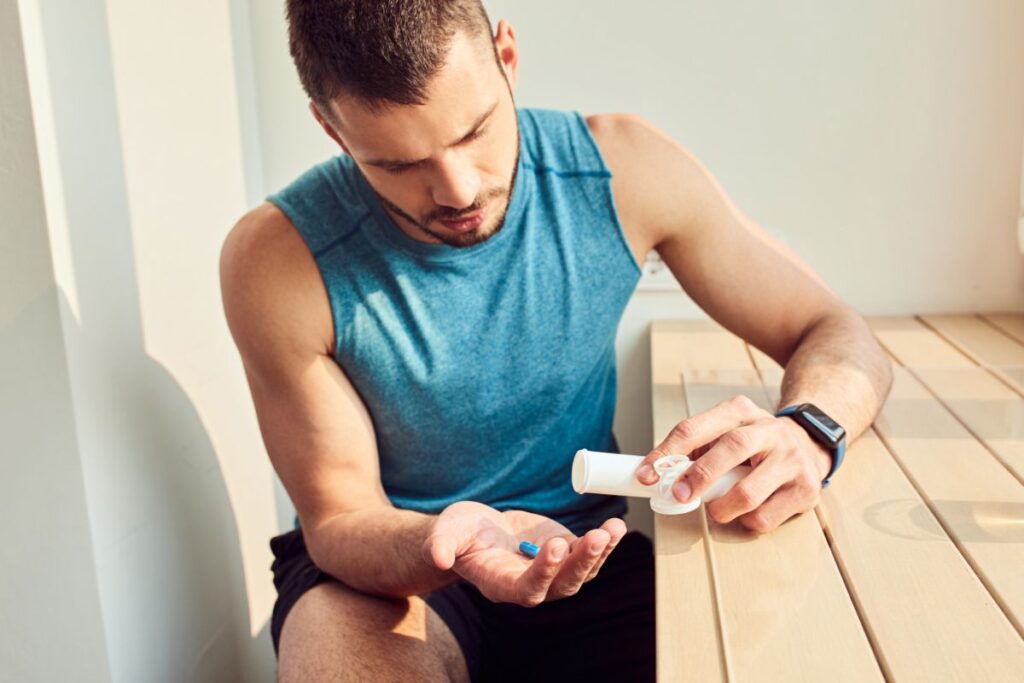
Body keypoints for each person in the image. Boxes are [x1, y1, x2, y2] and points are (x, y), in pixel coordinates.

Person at [219, 1, 893, 681]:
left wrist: (810, 429)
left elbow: (836, 332)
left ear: (508, 59)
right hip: (394, 564)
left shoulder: (623, 170)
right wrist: (447, 538)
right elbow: (339, 517)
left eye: (475, 131)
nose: (458, 190)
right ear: (331, 129)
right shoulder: (279, 259)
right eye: (399, 163)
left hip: (586, 551)